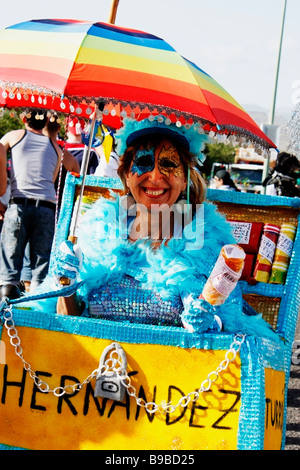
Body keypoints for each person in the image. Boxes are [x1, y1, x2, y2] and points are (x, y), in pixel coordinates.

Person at [47, 116, 278, 342]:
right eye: (144, 163)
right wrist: (65, 285)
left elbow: (233, 323)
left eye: (168, 164)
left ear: (185, 178)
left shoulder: (210, 242)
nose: (156, 177)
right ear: (126, 175)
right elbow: (65, 324)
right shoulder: (97, 230)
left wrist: (211, 323)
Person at [0, 109, 78, 295]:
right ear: (45, 124)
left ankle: (5, 304)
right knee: (40, 268)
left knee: (9, 269)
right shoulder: (55, 147)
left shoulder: (15, 136)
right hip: (46, 208)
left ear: (25, 119)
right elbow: (72, 168)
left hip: (19, 203)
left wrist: (2, 187)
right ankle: (36, 306)